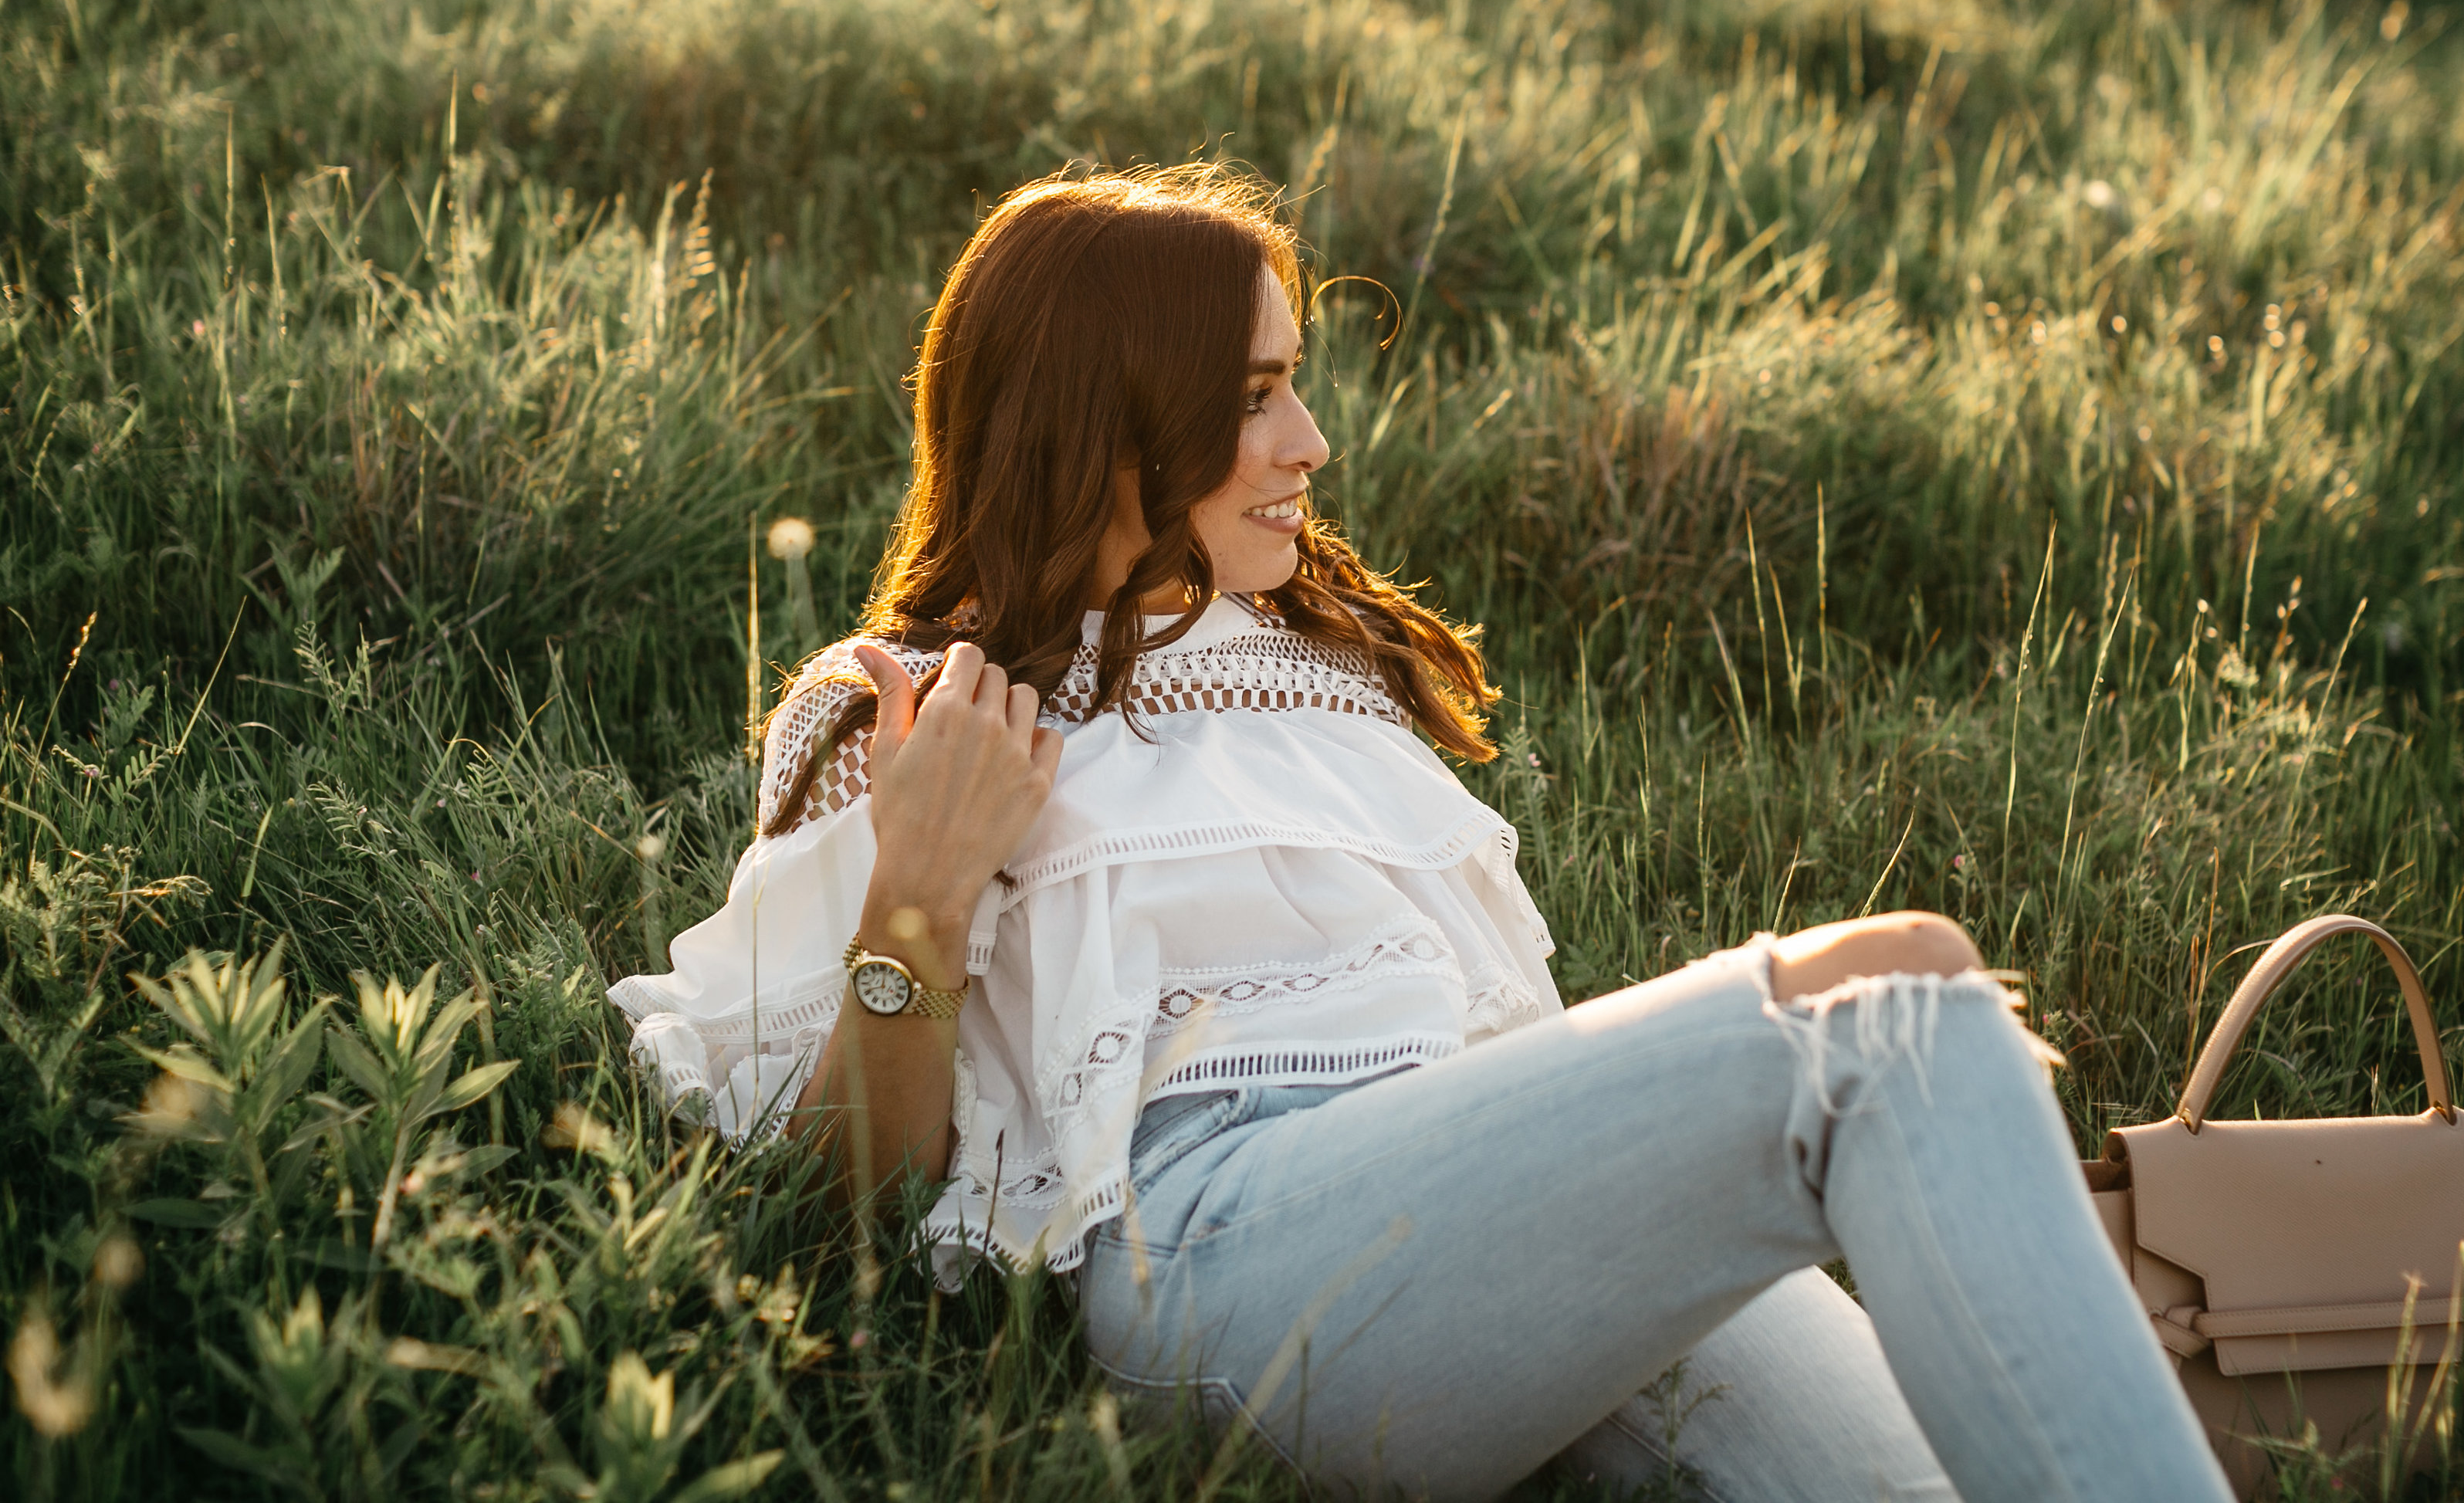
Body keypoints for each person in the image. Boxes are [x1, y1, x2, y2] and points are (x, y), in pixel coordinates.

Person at [610, 168, 2232, 1502]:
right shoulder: (908, 704)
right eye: (1251, 398)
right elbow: (839, 1231)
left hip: (1458, 1201)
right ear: (1107, 423)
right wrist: (919, 901)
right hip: (1213, 1261)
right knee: (1887, 1024)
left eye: (1295, 384)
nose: (1309, 442)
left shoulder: (1323, 668)